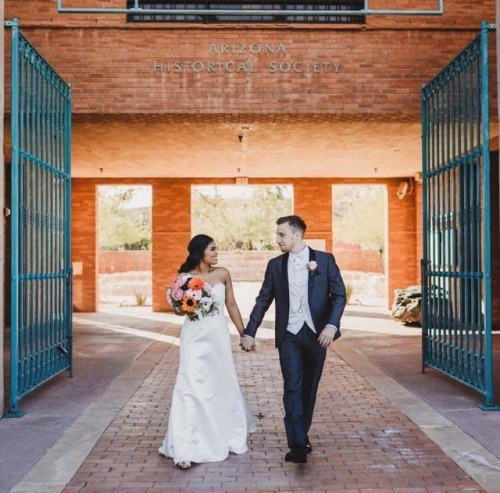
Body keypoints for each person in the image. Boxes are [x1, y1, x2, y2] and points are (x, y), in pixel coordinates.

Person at [241, 215, 346, 464]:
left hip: (318, 335)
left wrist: (331, 326)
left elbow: (339, 295)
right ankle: (297, 445)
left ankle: (302, 433)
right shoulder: (275, 265)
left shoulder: (325, 260)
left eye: (281, 235)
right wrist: (250, 331)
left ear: (297, 235)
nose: (277, 239)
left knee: (309, 389)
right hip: (288, 335)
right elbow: (263, 299)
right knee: (292, 387)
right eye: (278, 235)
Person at [159, 234, 256, 469]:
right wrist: (182, 302)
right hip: (194, 336)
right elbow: (180, 313)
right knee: (190, 383)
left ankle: (224, 433)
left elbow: (231, 304)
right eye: (212, 249)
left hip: (218, 336)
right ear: (200, 251)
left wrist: (245, 334)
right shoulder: (183, 279)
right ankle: (186, 444)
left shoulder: (222, 273)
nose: (216, 253)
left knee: (221, 382)